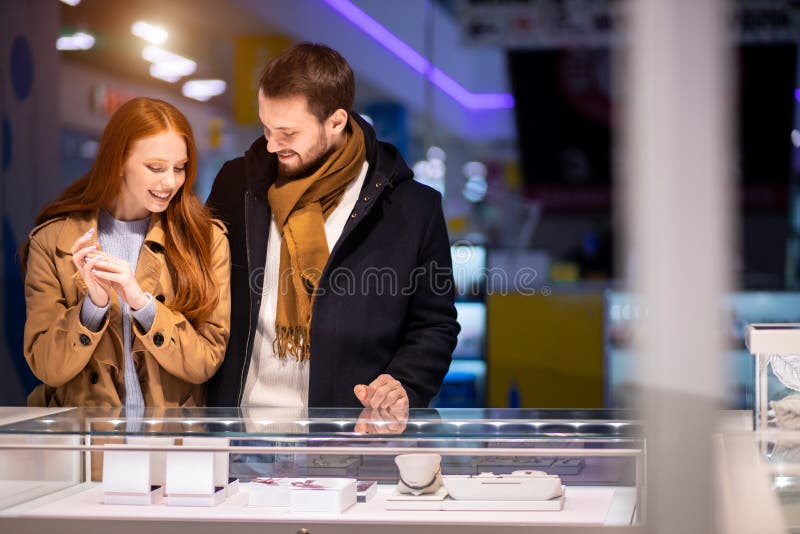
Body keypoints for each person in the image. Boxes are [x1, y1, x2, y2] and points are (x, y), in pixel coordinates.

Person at [206, 42, 459, 411]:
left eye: (288, 133)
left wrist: (404, 383)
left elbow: (435, 325)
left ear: (336, 121)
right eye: (266, 127)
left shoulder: (412, 208)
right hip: (241, 430)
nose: (272, 145)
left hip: (347, 432)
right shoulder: (238, 184)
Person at [21, 97, 231, 408]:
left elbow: (206, 361)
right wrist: (93, 306)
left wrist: (142, 304)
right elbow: (47, 367)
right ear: (118, 161)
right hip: (82, 445)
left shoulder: (205, 239)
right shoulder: (52, 241)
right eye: (155, 167)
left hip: (172, 445)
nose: (170, 181)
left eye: (180, 168)